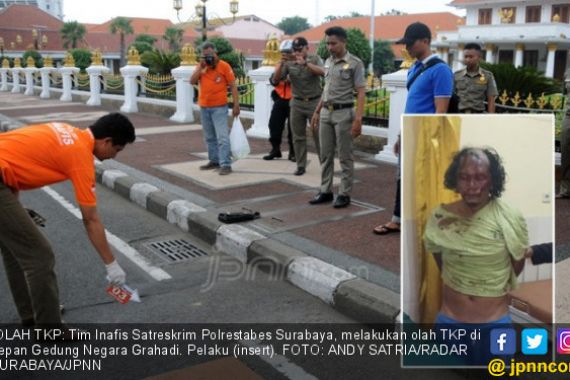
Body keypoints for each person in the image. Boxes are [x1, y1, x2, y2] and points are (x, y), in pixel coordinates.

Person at [0, 113, 135, 327]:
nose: (114, 156)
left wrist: (14, 208)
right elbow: (90, 219)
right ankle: (49, 327)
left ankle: (33, 313)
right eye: (116, 150)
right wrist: (112, 264)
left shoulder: (67, 130)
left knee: (16, 252)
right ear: (106, 141)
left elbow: (11, 168)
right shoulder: (80, 156)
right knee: (40, 256)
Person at [424, 147, 527, 364]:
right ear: (456, 180)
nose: (472, 186)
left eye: (480, 177)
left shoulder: (510, 217)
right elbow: (440, 260)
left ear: (492, 181)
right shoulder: (440, 217)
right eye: (464, 177)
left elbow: (517, 262)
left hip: (495, 325)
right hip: (450, 323)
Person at [375, 22, 453, 234]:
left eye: (410, 43)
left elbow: (441, 111)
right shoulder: (415, 68)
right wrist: (401, 135)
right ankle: (398, 219)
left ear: (425, 41)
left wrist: (433, 141)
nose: (407, 47)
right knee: (403, 177)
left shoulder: (441, 70)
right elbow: (412, 104)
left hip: (426, 134)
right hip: (410, 132)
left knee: (425, 179)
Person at [309, 26, 366, 208]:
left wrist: (358, 120)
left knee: (345, 155)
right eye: (328, 44)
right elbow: (326, 89)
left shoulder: (355, 63)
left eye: (333, 43)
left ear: (343, 42)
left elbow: (361, 92)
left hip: (344, 113)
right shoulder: (328, 62)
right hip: (326, 111)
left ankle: (344, 193)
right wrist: (317, 111)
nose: (330, 47)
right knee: (325, 154)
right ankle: (325, 190)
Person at [274, 36, 324, 176]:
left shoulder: (314, 58)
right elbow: (276, 79)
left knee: (318, 135)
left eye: (300, 49)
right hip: (296, 102)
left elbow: (323, 72)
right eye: (294, 50)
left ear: (307, 48)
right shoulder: (290, 61)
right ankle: (300, 165)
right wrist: (281, 63)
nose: (297, 52)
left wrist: (305, 63)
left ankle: (324, 164)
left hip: (314, 102)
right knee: (298, 136)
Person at [190, 41, 240, 176]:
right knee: (209, 137)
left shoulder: (224, 66)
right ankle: (214, 160)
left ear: (215, 53)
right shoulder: (201, 66)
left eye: (210, 55)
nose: (208, 58)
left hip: (219, 107)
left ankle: (225, 164)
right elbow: (192, 81)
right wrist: (201, 68)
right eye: (205, 55)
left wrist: (236, 104)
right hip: (204, 107)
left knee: (222, 137)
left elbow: (233, 86)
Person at [264, 40, 295, 162]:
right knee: (274, 125)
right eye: (282, 52)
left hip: (294, 100)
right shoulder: (279, 64)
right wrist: (282, 65)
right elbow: (274, 80)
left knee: (293, 129)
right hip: (280, 99)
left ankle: (293, 152)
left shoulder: (298, 64)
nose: (284, 54)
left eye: (287, 52)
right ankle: (275, 149)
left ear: (293, 52)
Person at [454, 43, 498, 113]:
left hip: (478, 115)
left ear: (479, 57)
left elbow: (491, 100)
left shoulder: (487, 76)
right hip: (460, 115)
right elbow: (450, 97)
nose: (468, 59)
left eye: (471, 57)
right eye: (465, 57)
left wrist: (490, 119)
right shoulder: (456, 75)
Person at [557, 69, 570, 198]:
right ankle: (565, 189)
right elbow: (564, 93)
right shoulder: (567, 73)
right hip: (569, 116)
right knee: (565, 150)